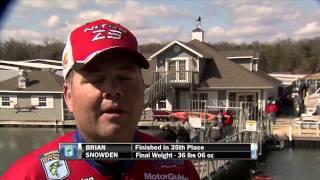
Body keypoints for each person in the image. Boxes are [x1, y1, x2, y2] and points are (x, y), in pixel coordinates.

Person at [2, 19, 199, 180]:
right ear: (68, 96)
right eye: (96, 79)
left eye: (124, 78)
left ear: (143, 88)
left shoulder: (178, 167)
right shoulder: (28, 176)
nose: (113, 90)